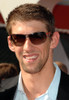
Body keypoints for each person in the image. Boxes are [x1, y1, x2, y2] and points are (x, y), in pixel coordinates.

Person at [1, 3, 69, 100]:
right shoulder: (2, 92)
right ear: (11, 43)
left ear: (53, 40)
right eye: (19, 38)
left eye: (37, 37)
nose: (27, 47)